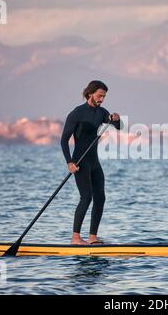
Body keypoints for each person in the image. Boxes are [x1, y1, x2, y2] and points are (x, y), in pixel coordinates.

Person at [60, 80, 121, 245]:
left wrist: (115, 118)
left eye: (104, 97)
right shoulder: (77, 113)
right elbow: (64, 140)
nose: (102, 99)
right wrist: (69, 162)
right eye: (100, 96)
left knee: (100, 198)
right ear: (90, 94)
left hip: (94, 162)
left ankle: (93, 238)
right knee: (86, 197)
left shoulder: (101, 112)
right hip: (80, 162)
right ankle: (75, 238)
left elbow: (118, 126)